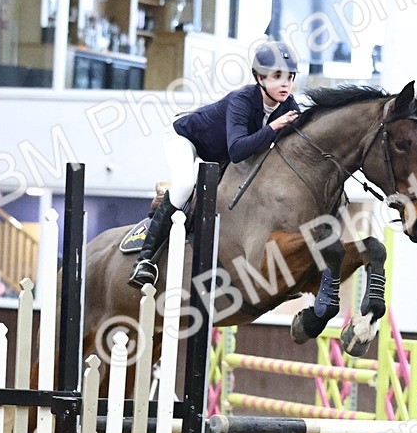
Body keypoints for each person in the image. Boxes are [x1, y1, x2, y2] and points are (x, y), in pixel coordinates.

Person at [128, 40, 302, 288]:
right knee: (185, 184)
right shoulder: (243, 100)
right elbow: (238, 150)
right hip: (187, 138)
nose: (286, 84)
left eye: (290, 77)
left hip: (220, 156)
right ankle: (145, 260)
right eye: (277, 76)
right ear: (259, 78)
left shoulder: (288, 105)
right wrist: (274, 127)